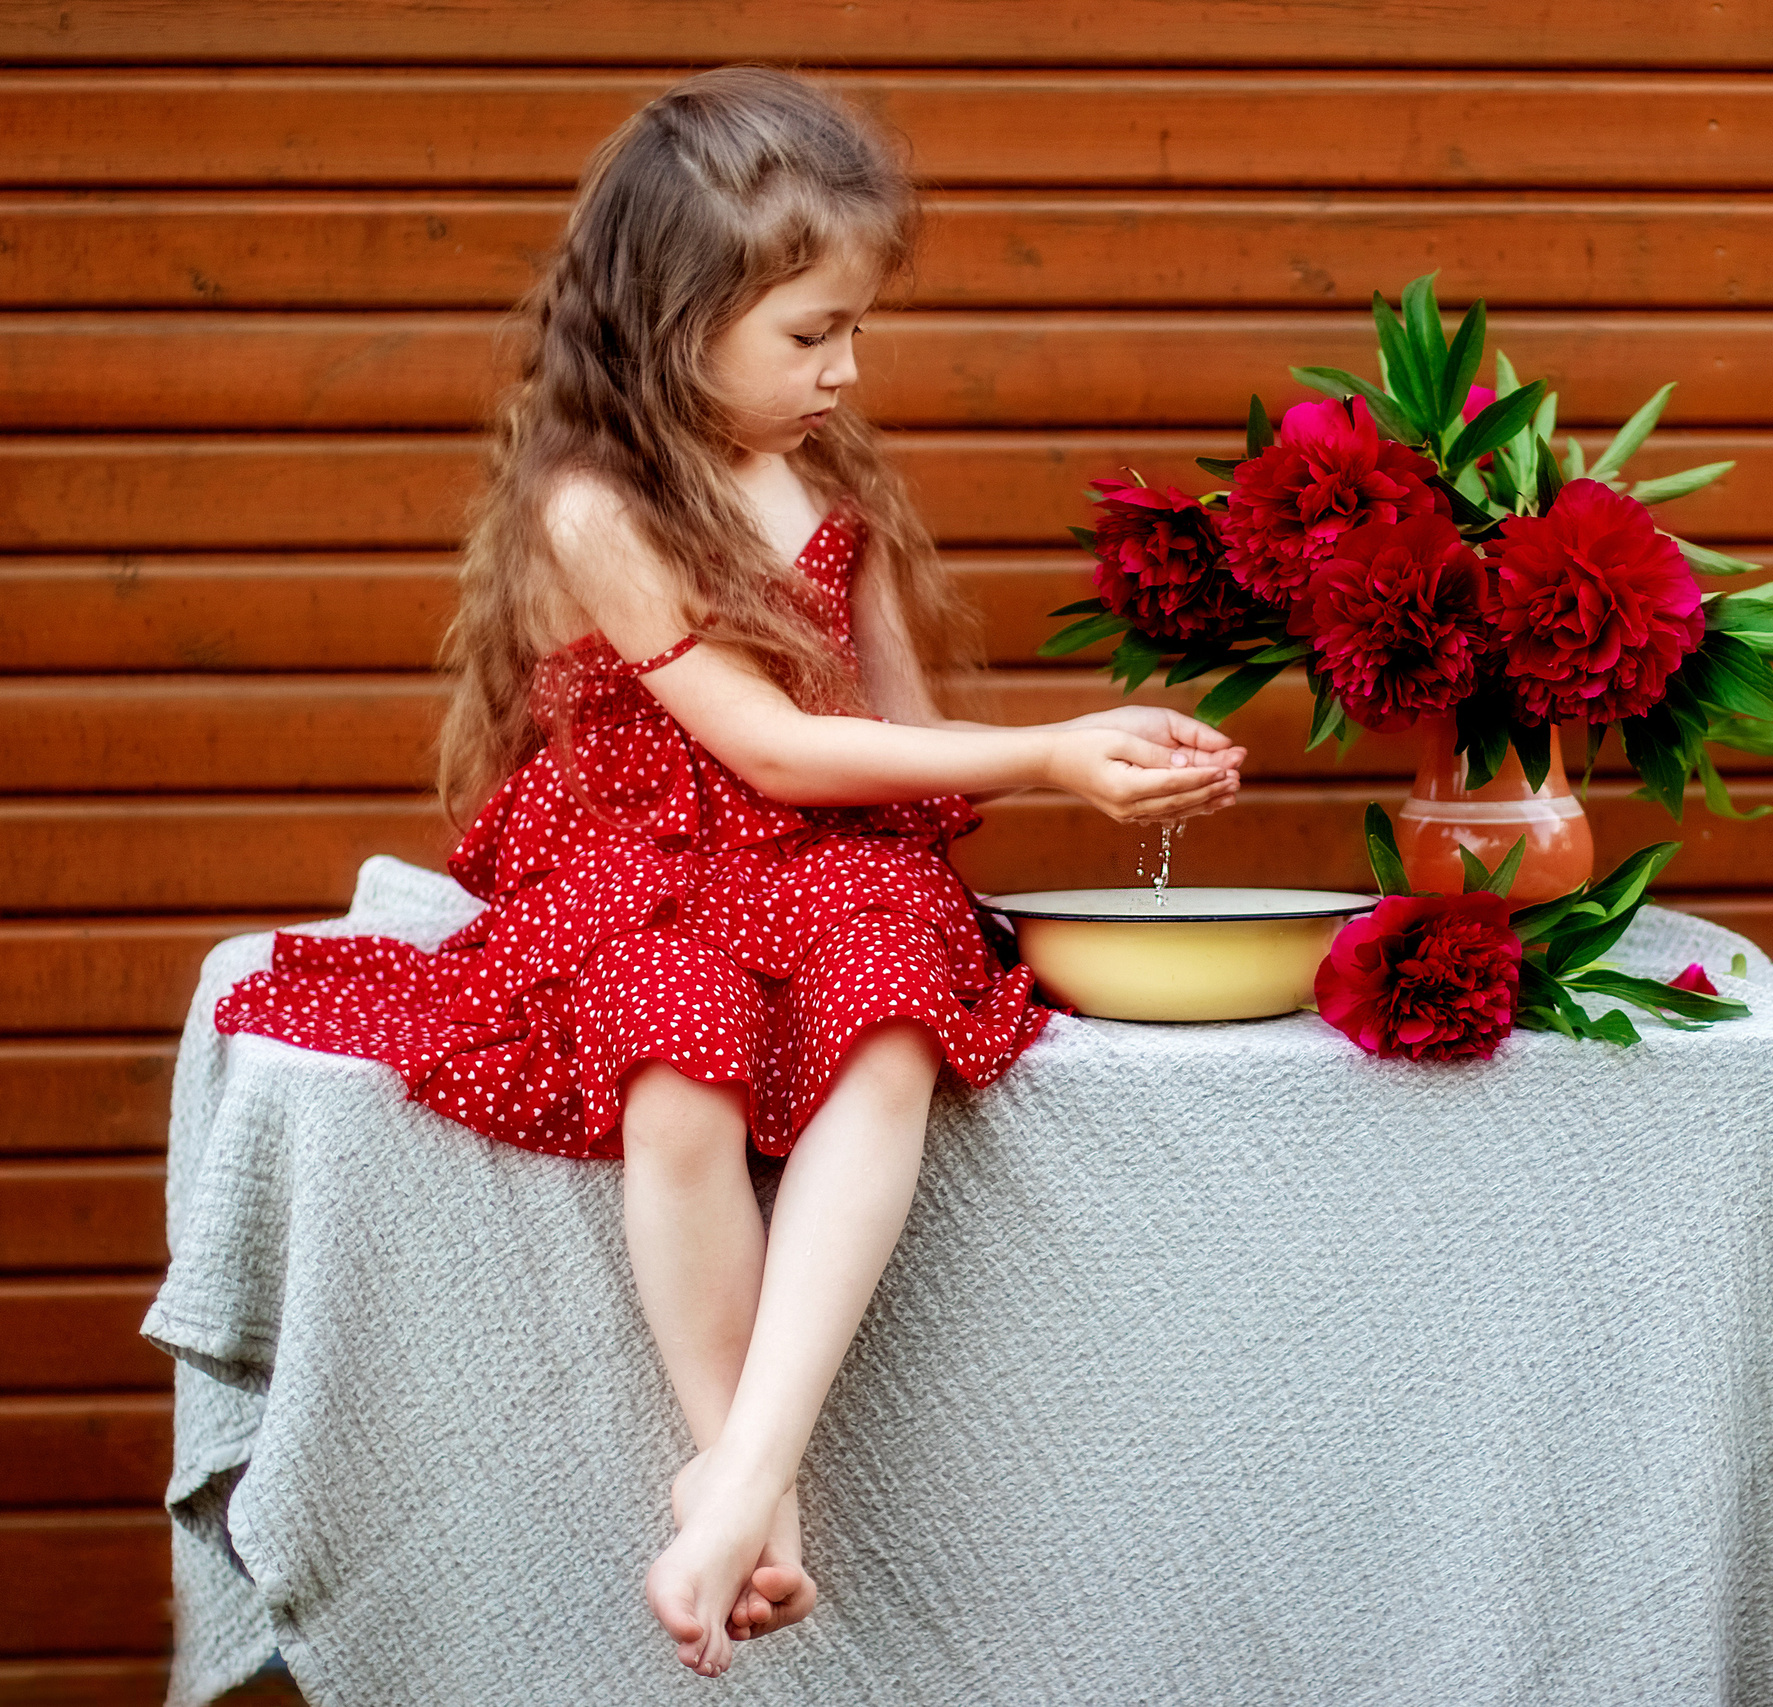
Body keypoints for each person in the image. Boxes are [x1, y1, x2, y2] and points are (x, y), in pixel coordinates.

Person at [213, 66, 1245, 1679]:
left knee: (891, 1010)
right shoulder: (592, 506)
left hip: (822, 854)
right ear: (672, 320)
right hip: (642, 855)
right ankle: (747, 1485)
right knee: (675, 1058)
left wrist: (1113, 766)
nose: (849, 365)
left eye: (854, 327)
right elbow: (758, 745)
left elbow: (892, 743)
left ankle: (740, 1476)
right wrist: (1048, 749)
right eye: (811, 333)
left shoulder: (836, 490)